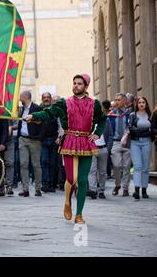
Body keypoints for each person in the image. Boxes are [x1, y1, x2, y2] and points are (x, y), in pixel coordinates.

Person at [26, 74, 107, 224]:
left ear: (86, 87)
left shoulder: (94, 104)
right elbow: (49, 113)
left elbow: (102, 118)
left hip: (86, 142)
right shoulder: (64, 102)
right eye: (74, 83)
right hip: (69, 140)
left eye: (79, 84)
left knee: (82, 180)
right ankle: (67, 202)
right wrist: (34, 115)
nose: (75, 86)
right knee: (71, 178)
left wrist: (97, 133)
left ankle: (79, 214)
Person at [17, 90, 44, 197]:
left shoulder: (37, 108)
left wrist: (40, 138)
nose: (19, 98)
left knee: (36, 165)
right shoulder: (21, 109)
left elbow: (43, 123)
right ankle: (25, 189)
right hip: (22, 139)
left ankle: (38, 189)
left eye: (20, 96)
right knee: (23, 164)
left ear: (25, 97)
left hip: (34, 140)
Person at [129, 97, 154, 200]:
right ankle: (136, 190)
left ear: (146, 104)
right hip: (135, 142)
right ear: (137, 104)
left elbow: (152, 130)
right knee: (137, 167)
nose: (141, 104)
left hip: (147, 142)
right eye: (139, 102)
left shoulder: (150, 115)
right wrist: (145, 131)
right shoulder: (133, 115)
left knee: (145, 168)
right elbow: (131, 128)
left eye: (143, 102)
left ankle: (144, 190)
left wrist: (142, 131)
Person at [109, 93, 132, 197]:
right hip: (116, 142)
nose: (116, 102)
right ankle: (117, 184)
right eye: (115, 100)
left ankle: (125, 188)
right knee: (116, 165)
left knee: (126, 166)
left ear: (124, 101)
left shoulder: (129, 114)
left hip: (127, 143)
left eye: (118, 100)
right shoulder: (112, 114)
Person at [40, 92, 59, 193]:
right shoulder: (38, 109)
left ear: (51, 99)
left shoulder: (55, 110)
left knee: (52, 163)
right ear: (42, 99)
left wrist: (59, 137)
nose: (46, 99)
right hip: (43, 140)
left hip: (53, 139)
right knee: (43, 162)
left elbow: (60, 123)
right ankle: (45, 183)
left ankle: (52, 184)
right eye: (44, 97)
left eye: (48, 97)